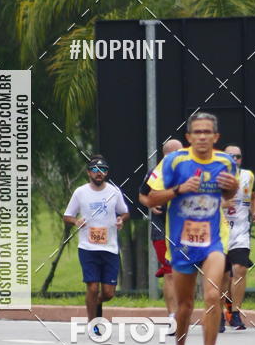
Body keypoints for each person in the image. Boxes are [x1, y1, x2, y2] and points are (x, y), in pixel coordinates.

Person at [146, 113, 238, 345]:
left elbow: (227, 197)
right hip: (182, 242)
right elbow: (151, 197)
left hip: (213, 240)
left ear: (215, 137)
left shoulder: (226, 162)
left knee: (212, 295)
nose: (201, 136)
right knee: (185, 307)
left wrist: (231, 191)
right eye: (196, 132)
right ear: (188, 137)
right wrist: (178, 190)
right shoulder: (175, 161)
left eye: (207, 132)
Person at [64, 155, 129, 327]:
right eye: (95, 170)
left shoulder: (114, 192)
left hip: (110, 247)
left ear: (106, 173)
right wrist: (76, 221)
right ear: (88, 173)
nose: (99, 173)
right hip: (87, 247)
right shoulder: (80, 192)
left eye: (103, 170)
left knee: (108, 293)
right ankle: (92, 322)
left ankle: (95, 302)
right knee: (92, 287)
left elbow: (124, 212)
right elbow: (67, 216)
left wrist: (121, 219)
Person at [219, 144, 255, 332]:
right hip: (219, 232)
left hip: (240, 232)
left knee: (240, 269)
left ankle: (235, 313)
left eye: (238, 156)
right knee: (221, 275)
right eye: (231, 156)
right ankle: (219, 314)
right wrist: (222, 203)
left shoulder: (248, 176)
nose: (235, 160)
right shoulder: (215, 176)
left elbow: (254, 195)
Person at [139, 139, 183, 318]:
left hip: (184, 228)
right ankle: (173, 315)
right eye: (178, 153)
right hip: (161, 229)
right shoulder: (155, 173)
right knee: (169, 272)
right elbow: (142, 195)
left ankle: (184, 310)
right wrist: (150, 204)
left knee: (184, 271)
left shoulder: (188, 172)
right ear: (167, 155)